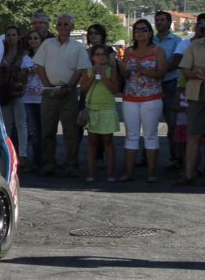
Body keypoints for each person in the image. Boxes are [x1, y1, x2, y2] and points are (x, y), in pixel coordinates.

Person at [32, 14, 90, 177]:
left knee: (70, 131)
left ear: (72, 27)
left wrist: (69, 87)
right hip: (49, 92)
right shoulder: (47, 44)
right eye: (60, 24)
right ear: (55, 27)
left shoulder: (78, 47)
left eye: (66, 24)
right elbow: (39, 66)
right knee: (47, 130)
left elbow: (81, 69)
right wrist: (48, 85)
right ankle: (48, 163)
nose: (62, 27)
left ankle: (71, 164)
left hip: (69, 93)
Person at [119, 19, 166, 182]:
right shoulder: (129, 51)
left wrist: (143, 71)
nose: (140, 32)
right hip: (130, 98)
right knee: (131, 135)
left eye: (144, 29)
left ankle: (151, 173)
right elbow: (125, 76)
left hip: (151, 98)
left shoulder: (158, 50)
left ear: (150, 32)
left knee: (150, 135)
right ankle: (128, 173)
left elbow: (161, 73)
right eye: (137, 30)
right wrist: (122, 68)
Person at [81, 44, 120, 182]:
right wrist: (93, 76)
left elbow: (115, 89)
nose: (100, 57)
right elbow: (84, 89)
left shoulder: (112, 71)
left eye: (103, 54)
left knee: (108, 141)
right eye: (97, 54)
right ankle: (90, 172)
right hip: (92, 108)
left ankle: (110, 173)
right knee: (92, 142)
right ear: (92, 57)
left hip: (107, 108)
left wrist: (103, 76)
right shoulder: (88, 71)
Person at [153, 11, 183, 170]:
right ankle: (147, 157)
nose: (159, 22)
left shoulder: (177, 41)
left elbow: (176, 61)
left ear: (169, 22)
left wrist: (159, 72)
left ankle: (175, 158)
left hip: (170, 84)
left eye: (162, 20)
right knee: (149, 123)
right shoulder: (150, 40)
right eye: (157, 20)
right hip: (151, 84)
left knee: (172, 122)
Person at [177, 24, 205, 185]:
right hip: (197, 92)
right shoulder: (195, 45)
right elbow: (185, 69)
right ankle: (188, 174)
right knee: (193, 134)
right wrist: (194, 73)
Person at [0, 25, 28, 164]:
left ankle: (23, 153)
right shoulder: (1, 52)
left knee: (21, 124)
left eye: (13, 35)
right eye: (8, 35)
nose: (11, 38)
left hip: (19, 92)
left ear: (18, 36)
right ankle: (8, 152)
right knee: (6, 124)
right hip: (4, 91)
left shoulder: (23, 53)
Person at [22, 29, 47, 170]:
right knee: (35, 131)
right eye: (30, 38)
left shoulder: (47, 56)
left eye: (36, 38)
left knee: (46, 130)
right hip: (29, 97)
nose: (33, 40)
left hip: (43, 96)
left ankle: (47, 160)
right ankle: (37, 162)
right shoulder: (25, 58)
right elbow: (21, 75)